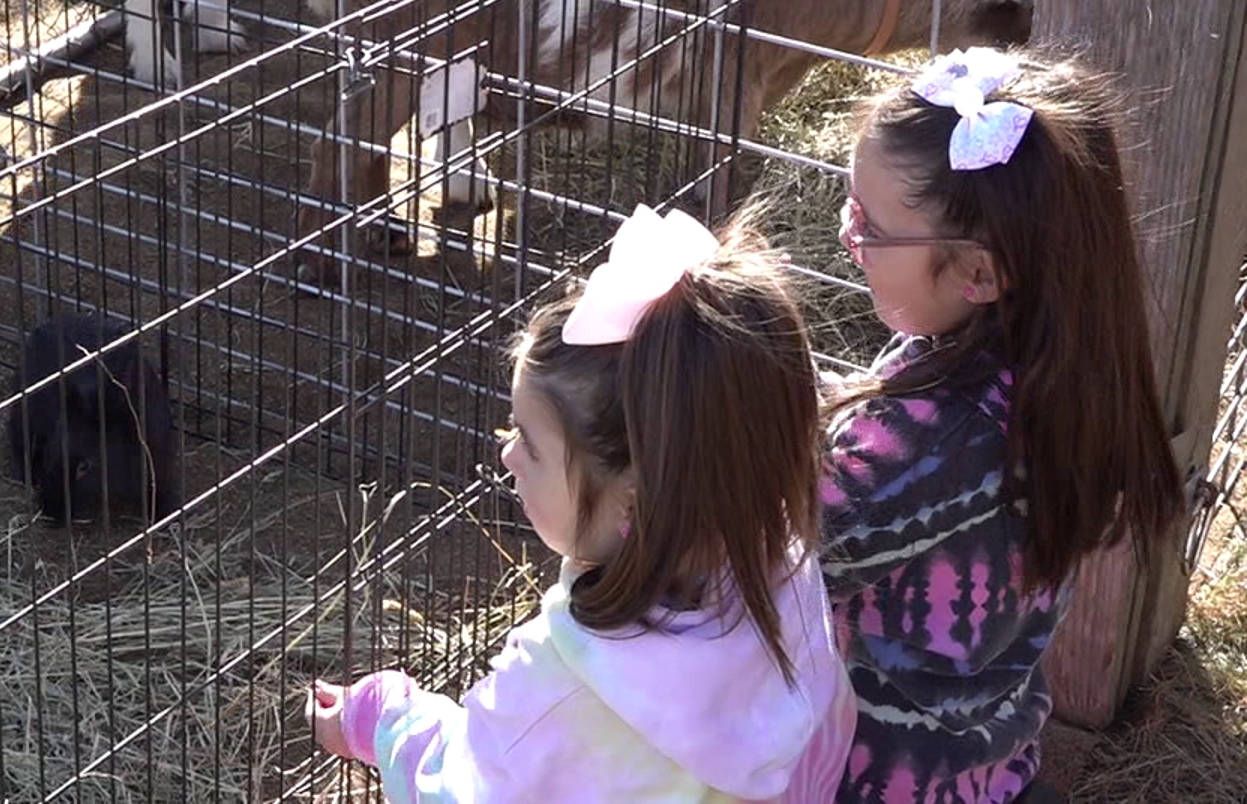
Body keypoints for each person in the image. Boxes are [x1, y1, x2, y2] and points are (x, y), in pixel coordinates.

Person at [306, 204, 857, 802]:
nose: (507, 457)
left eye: (530, 443)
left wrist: (384, 719)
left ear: (634, 500)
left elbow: (463, 787)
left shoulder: (568, 679)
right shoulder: (782, 572)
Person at [821, 47, 1186, 802]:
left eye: (871, 226)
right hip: (989, 764)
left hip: (878, 781)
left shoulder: (927, 440)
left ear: (980, 274)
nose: (846, 239)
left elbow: (756, 557)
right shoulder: (1049, 374)